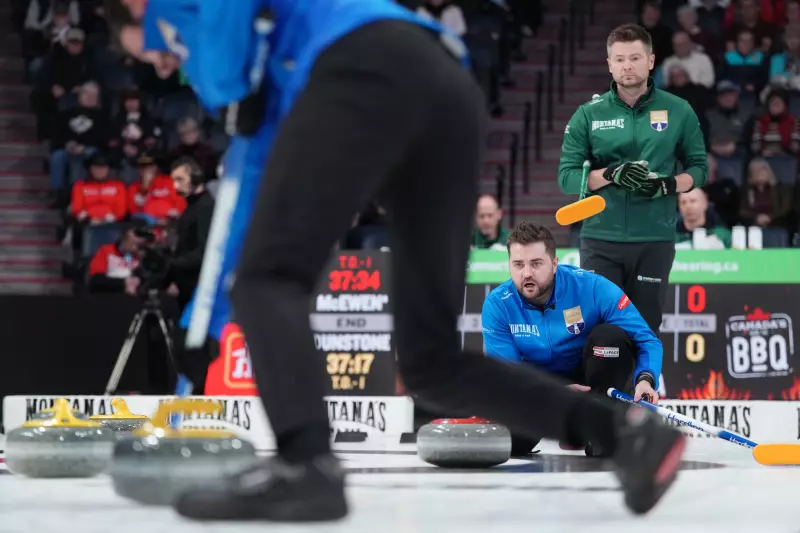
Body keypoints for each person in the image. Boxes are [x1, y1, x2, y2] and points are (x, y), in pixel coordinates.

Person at [105, 0, 686, 522]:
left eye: (158, 52)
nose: (166, 65)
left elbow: (225, 70)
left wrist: (221, 85)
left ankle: (307, 467)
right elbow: (252, 169)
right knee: (432, 364)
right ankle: (626, 433)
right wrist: (201, 325)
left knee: (269, 281)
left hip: (363, 68)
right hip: (445, 87)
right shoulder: (272, 66)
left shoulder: (209, 25)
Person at [558, 23, 708, 339]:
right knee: (601, 329)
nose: (628, 65)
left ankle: (643, 388)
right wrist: (610, 175)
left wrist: (667, 184)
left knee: (644, 328)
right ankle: (604, 390)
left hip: (655, 237)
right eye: (621, 59)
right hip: (601, 237)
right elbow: (567, 178)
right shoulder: (588, 114)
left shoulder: (679, 110)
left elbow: (699, 168)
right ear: (610, 64)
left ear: (651, 61)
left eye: (635, 58)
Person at [482, 222, 662, 457]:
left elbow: (647, 340)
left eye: (536, 263)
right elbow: (508, 375)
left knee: (609, 337)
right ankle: (567, 428)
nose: (527, 273)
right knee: (507, 444)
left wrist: (646, 380)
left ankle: (599, 425)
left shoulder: (592, 287)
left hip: (592, 385)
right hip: (541, 390)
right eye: (518, 264)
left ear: (555, 264)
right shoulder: (498, 304)